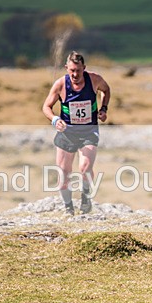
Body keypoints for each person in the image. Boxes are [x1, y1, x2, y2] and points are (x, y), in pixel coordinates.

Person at [42, 51, 111, 215]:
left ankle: (86, 200)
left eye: (78, 71)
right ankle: (68, 208)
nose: (75, 74)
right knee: (64, 173)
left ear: (84, 68)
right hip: (67, 133)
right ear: (66, 68)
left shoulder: (94, 79)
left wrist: (103, 109)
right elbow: (46, 107)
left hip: (89, 131)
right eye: (71, 70)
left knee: (85, 167)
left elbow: (106, 90)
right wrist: (54, 120)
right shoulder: (60, 84)